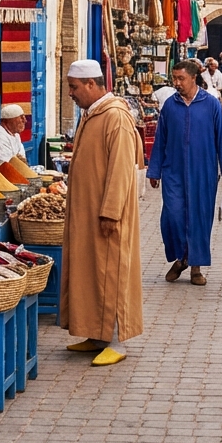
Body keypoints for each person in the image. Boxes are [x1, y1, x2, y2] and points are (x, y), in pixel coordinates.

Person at [60, 60, 143, 367]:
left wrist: (110, 212)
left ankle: (117, 340)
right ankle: (97, 334)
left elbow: (122, 169)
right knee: (92, 273)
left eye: (74, 87)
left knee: (112, 273)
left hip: (107, 216)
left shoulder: (115, 117)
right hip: (87, 212)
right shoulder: (91, 115)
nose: (71, 93)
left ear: (92, 85)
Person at [147, 60, 222, 285]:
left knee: (199, 218)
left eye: (181, 79)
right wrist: (154, 170)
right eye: (174, 79)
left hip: (203, 171)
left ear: (193, 78)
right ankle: (181, 257)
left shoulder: (211, 104)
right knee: (173, 216)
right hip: (173, 171)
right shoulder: (170, 105)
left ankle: (195, 266)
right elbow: (161, 139)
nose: (176, 83)